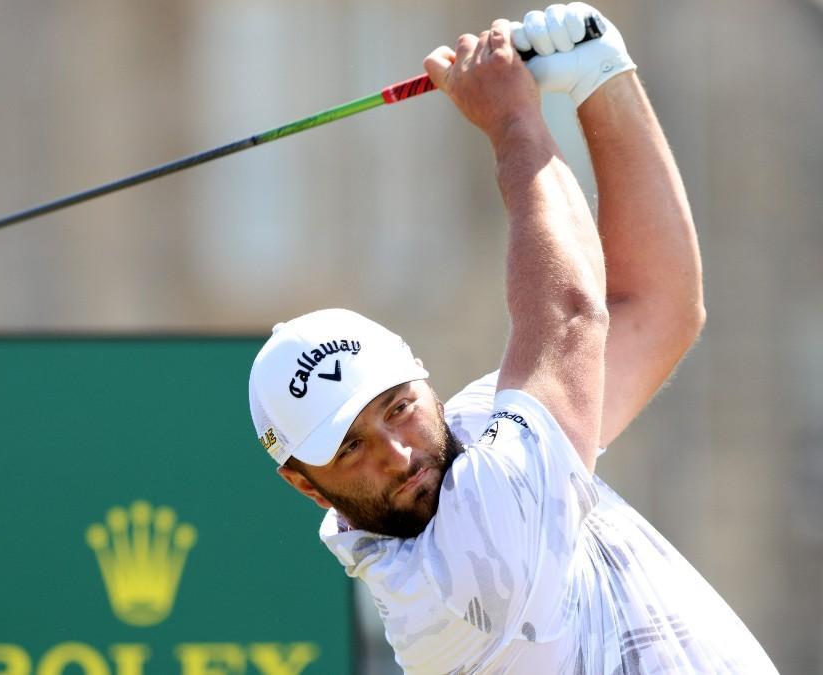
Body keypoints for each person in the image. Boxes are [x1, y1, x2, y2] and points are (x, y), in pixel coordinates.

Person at [246, 4, 779, 673]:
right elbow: (572, 316)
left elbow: (657, 308)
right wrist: (513, 122)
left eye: (399, 405)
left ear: (422, 378)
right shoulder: (450, 582)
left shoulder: (477, 432)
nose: (399, 451)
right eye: (350, 445)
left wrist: (602, 79)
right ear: (307, 486)